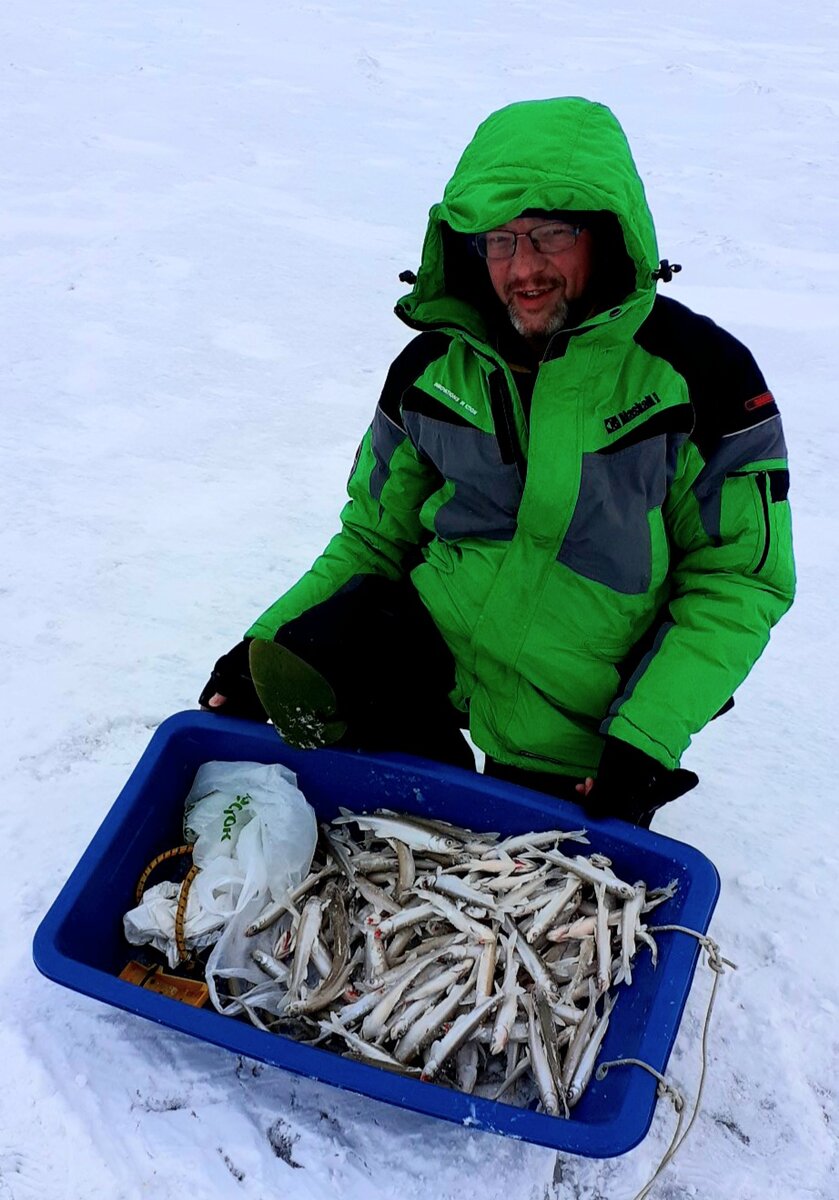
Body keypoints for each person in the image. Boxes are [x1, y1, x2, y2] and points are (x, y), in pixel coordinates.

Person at [199, 96, 795, 826]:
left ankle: (526, 786)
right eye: (499, 241)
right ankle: (421, 799)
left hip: (581, 690)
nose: (524, 269)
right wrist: (257, 646)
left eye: (550, 234)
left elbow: (737, 581)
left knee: (539, 859)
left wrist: (646, 737)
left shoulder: (700, 376)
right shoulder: (430, 371)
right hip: (443, 639)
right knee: (307, 677)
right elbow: (373, 537)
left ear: (606, 236)